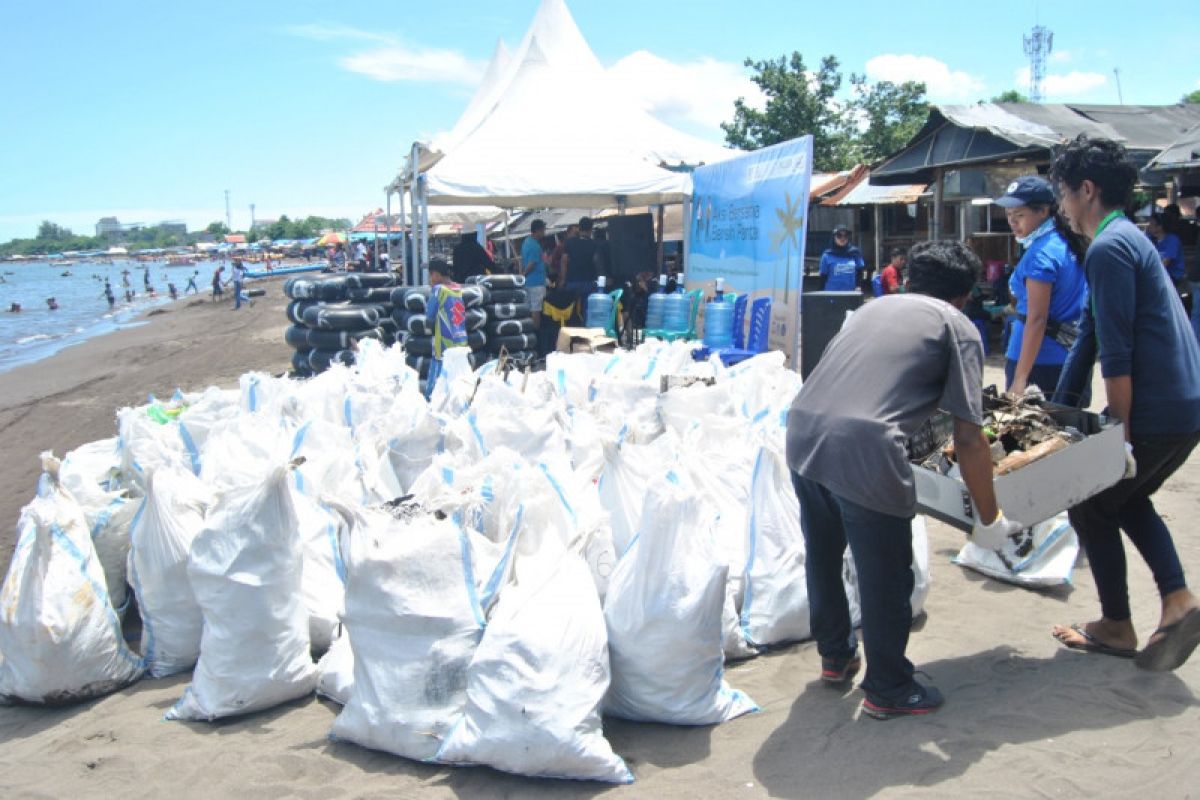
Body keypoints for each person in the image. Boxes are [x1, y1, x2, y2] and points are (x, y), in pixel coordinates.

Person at [787, 239, 1026, 720]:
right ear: (965, 295)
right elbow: (970, 437)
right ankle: (889, 687)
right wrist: (989, 517)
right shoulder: (955, 326)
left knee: (824, 552)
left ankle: (835, 658)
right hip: (865, 448)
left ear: (911, 279)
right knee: (887, 574)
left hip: (804, 432)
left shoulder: (871, 309)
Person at [1048, 134, 1200, 671]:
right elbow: (1088, 333)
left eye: (1064, 194)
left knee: (1091, 498)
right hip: (1185, 406)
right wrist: (1055, 411)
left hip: (1157, 410)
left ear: (1086, 190)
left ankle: (1118, 624)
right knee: (1123, 498)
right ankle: (1176, 600)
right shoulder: (1123, 238)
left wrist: (1121, 433)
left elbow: (1116, 353)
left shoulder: (1110, 248)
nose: (1062, 207)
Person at [993, 175, 1089, 396]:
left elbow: (1037, 318)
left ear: (1044, 211)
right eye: (1008, 215)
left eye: (1020, 215)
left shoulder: (1041, 255)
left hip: (1039, 361)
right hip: (1069, 354)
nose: (1012, 222)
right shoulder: (1067, 242)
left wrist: (1020, 378)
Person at [425, 258, 468, 399]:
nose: (430, 278)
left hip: (444, 342)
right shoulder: (458, 288)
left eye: (431, 274)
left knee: (437, 382)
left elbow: (430, 316)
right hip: (461, 340)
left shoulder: (438, 290)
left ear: (437, 274)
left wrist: (427, 328)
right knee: (458, 380)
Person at [562, 216, 601, 324]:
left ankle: (572, 331)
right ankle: (586, 331)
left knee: (570, 310)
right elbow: (596, 261)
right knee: (588, 310)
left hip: (572, 281)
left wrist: (563, 279)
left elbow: (564, 261)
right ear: (591, 229)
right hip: (589, 282)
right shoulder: (594, 244)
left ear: (579, 228)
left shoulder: (569, 242)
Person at [818, 225, 865, 292]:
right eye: (839, 235)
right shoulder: (827, 255)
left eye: (845, 236)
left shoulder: (855, 253)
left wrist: (858, 286)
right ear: (834, 238)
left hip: (851, 293)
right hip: (831, 293)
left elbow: (860, 272)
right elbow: (823, 276)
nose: (842, 238)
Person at [522, 219, 548, 328]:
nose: (544, 232)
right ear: (538, 230)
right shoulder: (535, 246)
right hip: (536, 283)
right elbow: (532, 264)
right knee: (536, 310)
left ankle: (528, 333)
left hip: (527, 282)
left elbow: (523, 261)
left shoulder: (526, 242)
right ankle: (535, 334)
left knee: (528, 308)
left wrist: (522, 276)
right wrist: (523, 274)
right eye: (543, 230)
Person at [1146, 213, 1184, 285]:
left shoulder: (1172, 240)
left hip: (1171, 275)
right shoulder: (1150, 238)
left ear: (1159, 226)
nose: (1148, 226)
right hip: (1155, 274)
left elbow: (1165, 263)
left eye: (1151, 224)